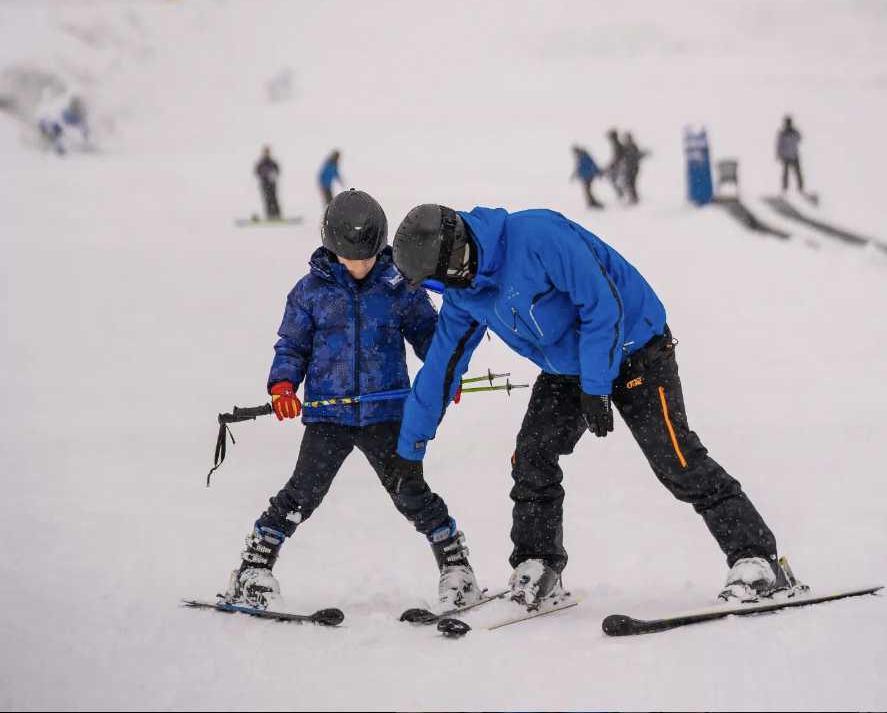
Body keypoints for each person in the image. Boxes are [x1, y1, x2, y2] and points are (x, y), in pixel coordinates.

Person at [386, 204, 787, 610]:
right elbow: (441, 367)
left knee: (676, 459)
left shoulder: (537, 236)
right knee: (532, 457)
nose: (443, 290)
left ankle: (757, 559)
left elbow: (601, 305)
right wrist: (409, 450)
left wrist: (597, 386)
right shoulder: (464, 295)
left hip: (636, 349)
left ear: (453, 255)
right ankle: (539, 563)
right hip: (569, 370)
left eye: (438, 280)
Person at [224, 190, 482, 611]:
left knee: (410, 492)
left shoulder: (399, 287)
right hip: (329, 417)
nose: (359, 266)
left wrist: (444, 375)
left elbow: (431, 338)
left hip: (386, 414)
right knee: (302, 493)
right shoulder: (309, 293)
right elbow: (291, 346)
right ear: (330, 247)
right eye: (349, 258)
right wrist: (284, 387)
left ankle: (456, 567)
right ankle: (253, 568)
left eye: (366, 257)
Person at [776, 115, 803, 193]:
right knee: (785, 173)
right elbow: (779, 145)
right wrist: (779, 155)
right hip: (786, 156)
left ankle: (800, 188)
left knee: (797, 172)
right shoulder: (783, 133)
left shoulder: (794, 132)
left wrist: (794, 132)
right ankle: (785, 188)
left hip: (794, 155)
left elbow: (799, 138)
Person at [254, 146, 281, 220]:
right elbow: (257, 171)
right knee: (267, 198)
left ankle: (277, 214)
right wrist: (263, 175)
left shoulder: (272, 162)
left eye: (268, 152)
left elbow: (278, 170)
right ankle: (269, 214)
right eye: (265, 152)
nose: (267, 154)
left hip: (272, 183)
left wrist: (273, 175)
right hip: (264, 183)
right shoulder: (261, 163)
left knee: (274, 197)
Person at [620, 132, 646, 205]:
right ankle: (633, 198)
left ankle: (634, 199)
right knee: (630, 183)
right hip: (630, 168)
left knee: (631, 184)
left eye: (626, 138)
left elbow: (635, 157)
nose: (625, 140)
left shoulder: (632, 147)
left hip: (633, 168)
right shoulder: (628, 147)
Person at [604, 129, 626, 199]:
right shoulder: (616, 144)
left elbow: (617, 157)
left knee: (615, 179)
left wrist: (611, 165)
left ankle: (621, 194)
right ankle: (621, 193)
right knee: (614, 179)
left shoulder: (617, 144)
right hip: (618, 165)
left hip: (619, 165)